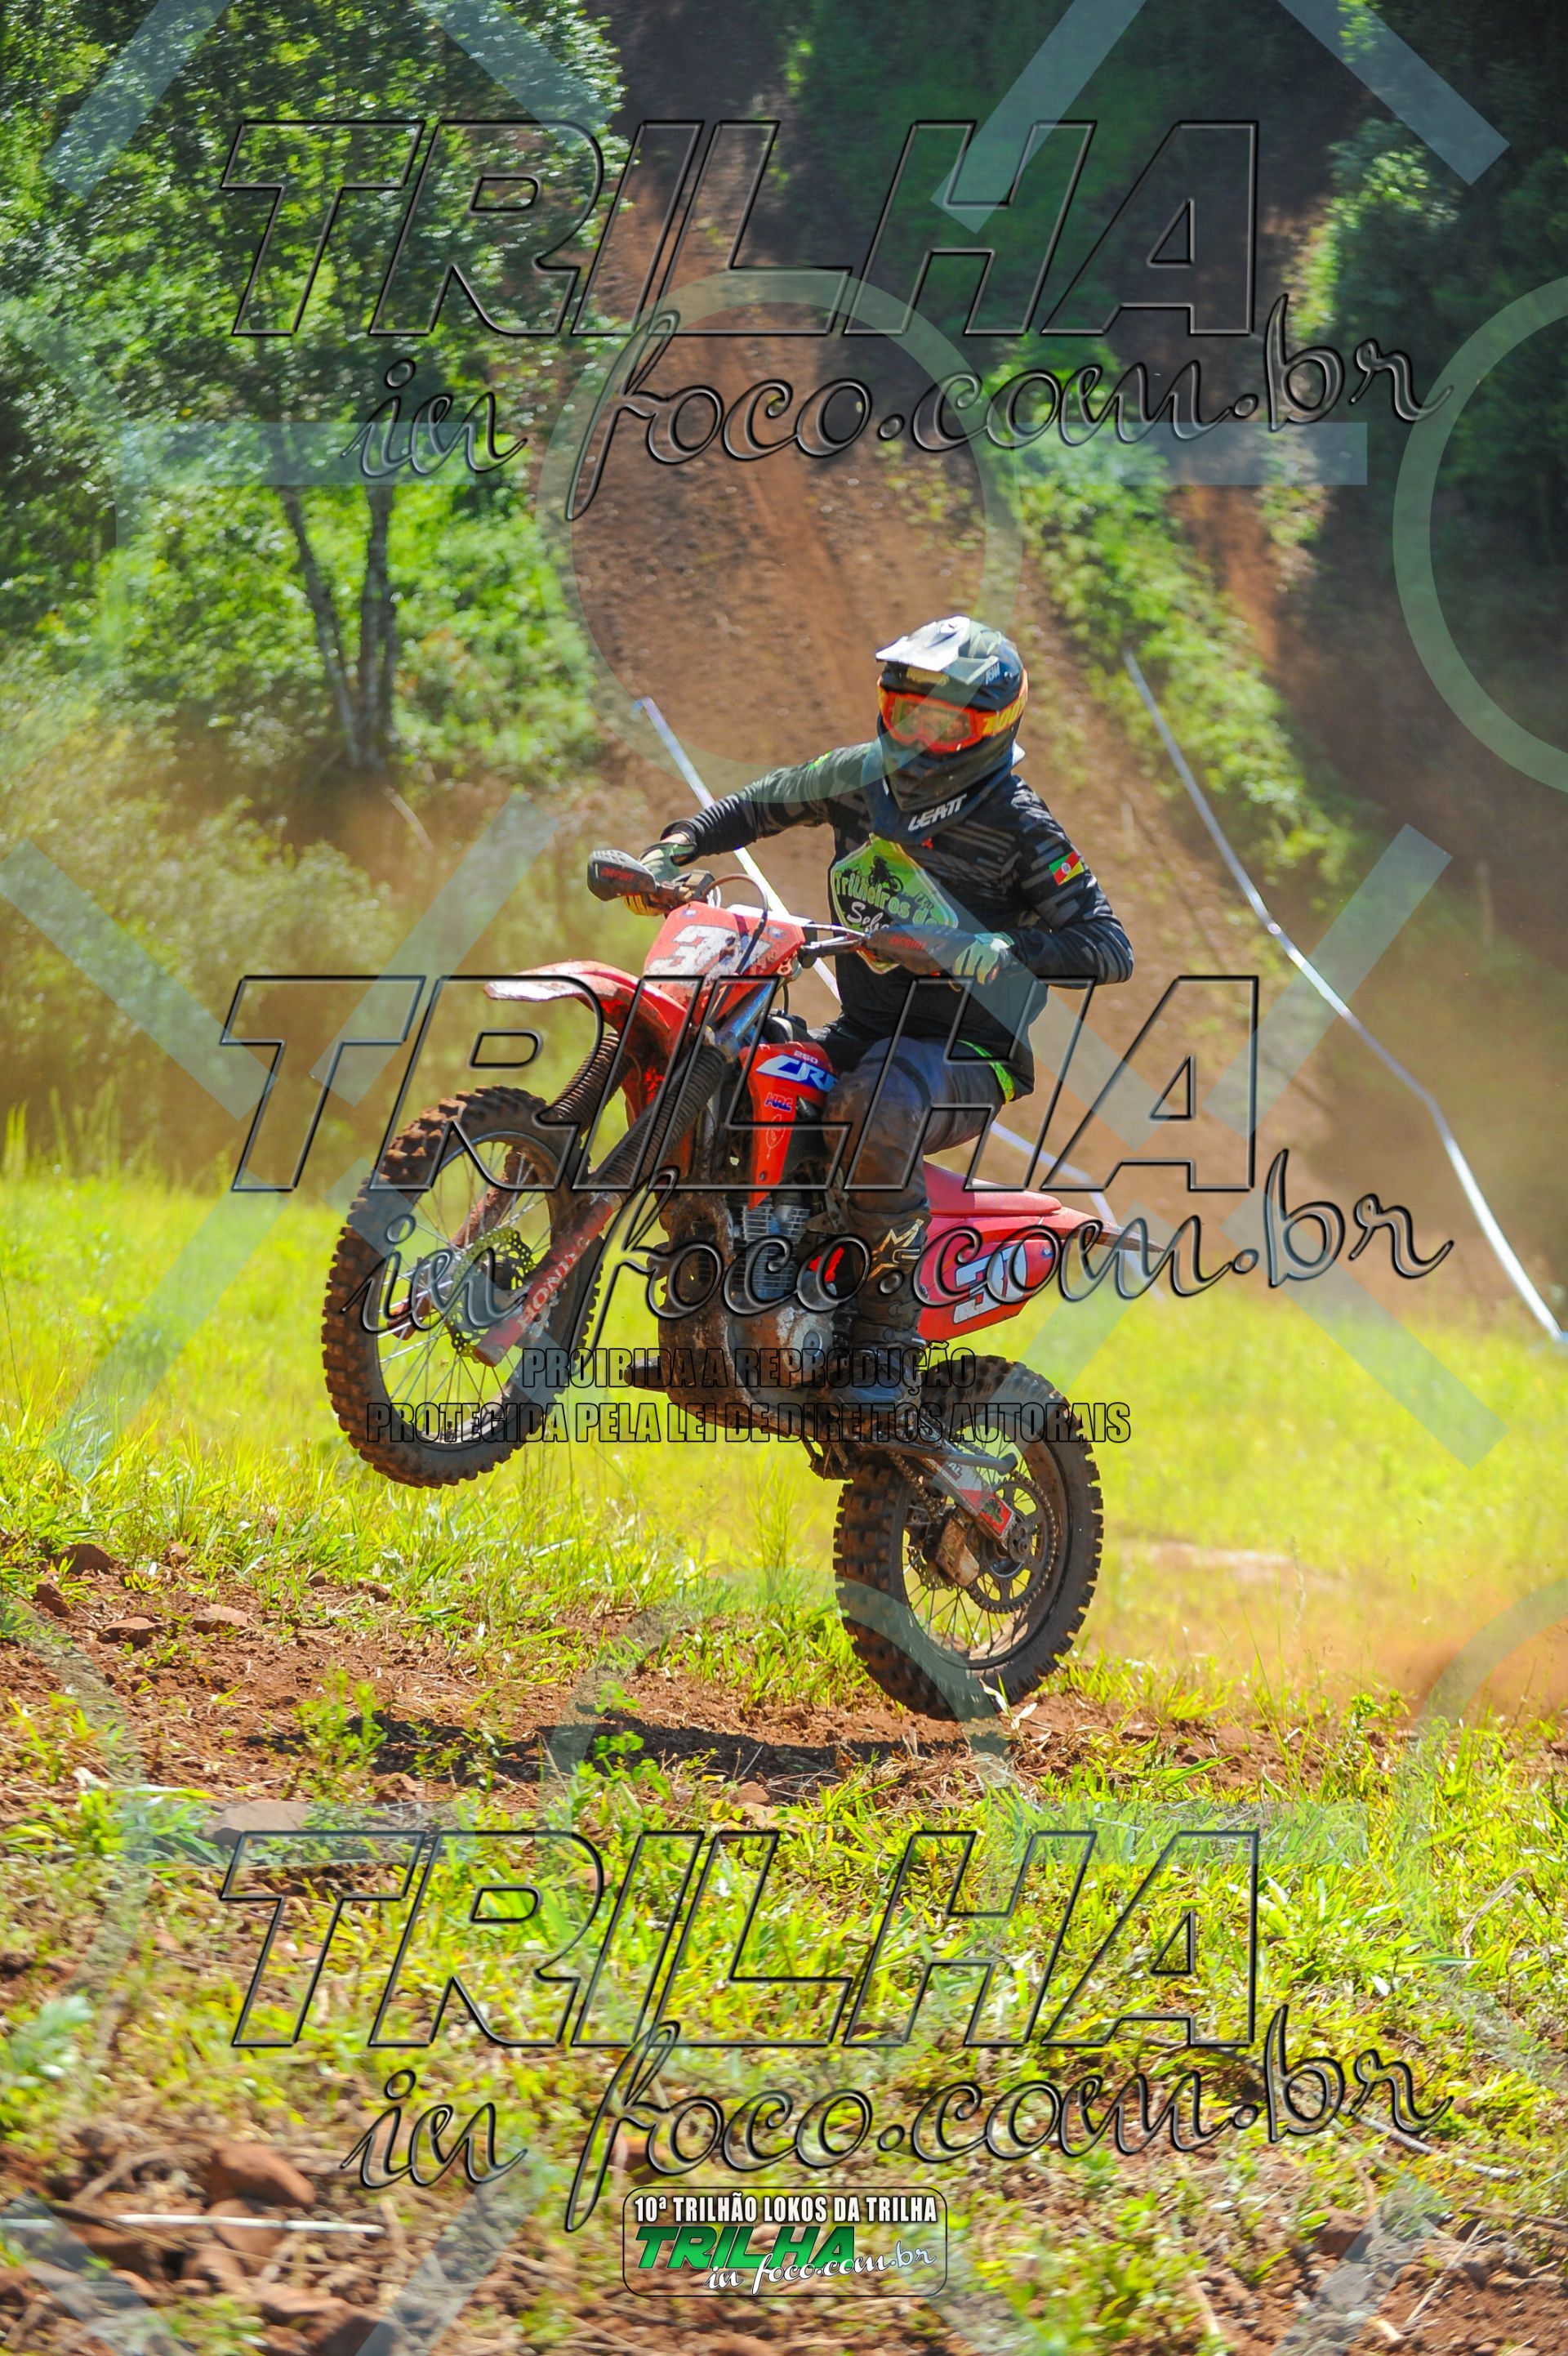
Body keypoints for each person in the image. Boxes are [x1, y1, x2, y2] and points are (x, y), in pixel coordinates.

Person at [638, 616, 1134, 1412]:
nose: (922, 741)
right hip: (864, 1032)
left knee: (875, 1102)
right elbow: (757, 805)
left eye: (947, 726)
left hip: (968, 1053)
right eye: (908, 716)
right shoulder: (859, 776)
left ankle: (886, 1345)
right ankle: (717, 1303)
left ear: (992, 729)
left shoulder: (1020, 823)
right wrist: (677, 845)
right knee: (743, 1076)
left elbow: (1107, 946)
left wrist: (981, 948)